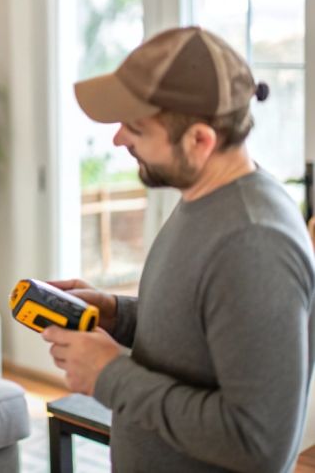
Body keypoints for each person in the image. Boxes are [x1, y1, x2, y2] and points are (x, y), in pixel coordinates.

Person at [42, 26, 315, 472]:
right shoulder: (202, 197)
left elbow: (258, 442)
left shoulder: (255, 241)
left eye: (136, 127)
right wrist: (117, 313)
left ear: (200, 141)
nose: (117, 140)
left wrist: (110, 375)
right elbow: (199, 331)